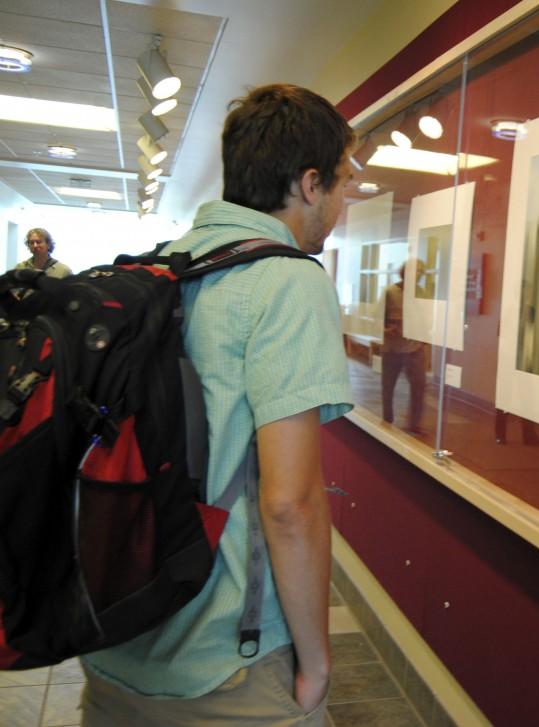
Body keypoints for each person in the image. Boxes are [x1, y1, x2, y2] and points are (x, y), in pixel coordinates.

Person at [79, 84, 355, 726]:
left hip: (116, 637)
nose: (344, 201)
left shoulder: (161, 271)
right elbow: (290, 504)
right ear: (309, 184)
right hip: (226, 663)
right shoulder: (288, 281)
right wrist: (316, 665)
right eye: (343, 181)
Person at [379, 260, 426, 433]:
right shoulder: (390, 292)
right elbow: (377, 319)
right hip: (392, 348)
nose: (418, 274)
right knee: (388, 386)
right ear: (404, 272)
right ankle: (387, 420)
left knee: (419, 386)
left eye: (421, 271)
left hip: (414, 348)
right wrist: (385, 330)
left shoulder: (422, 293)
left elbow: (426, 319)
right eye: (415, 271)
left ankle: (414, 424)